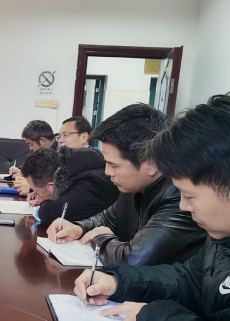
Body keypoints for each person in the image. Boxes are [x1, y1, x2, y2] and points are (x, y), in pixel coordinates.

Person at [73, 91, 230, 321]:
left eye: (190, 196)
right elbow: (188, 279)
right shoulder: (228, 235)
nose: (183, 206)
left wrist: (154, 317)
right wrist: (118, 281)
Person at [47, 103, 206, 266]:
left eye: (114, 165)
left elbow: (135, 257)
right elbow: (108, 218)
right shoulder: (133, 186)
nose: (107, 171)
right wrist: (78, 228)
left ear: (152, 163)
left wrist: (100, 238)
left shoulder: (180, 196)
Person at [20, 146, 119, 225]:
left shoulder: (92, 184)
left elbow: (52, 215)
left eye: (37, 192)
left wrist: (43, 203)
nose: (36, 195)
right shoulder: (73, 164)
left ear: (51, 186)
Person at [11, 120, 56, 195]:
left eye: (31, 144)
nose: (30, 148)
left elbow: (56, 186)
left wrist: (32, 189)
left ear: (42, 140)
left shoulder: (60, 156)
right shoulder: (42, 152)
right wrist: (22, 172)